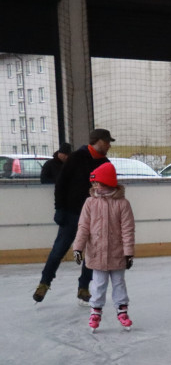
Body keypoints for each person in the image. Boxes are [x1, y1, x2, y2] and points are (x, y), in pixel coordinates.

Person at [33, 129, 114, 304]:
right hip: (71, 214)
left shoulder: (105, 163)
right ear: (98, 141)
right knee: (58, 250)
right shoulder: (76, 158)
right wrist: (59, 209)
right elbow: (61, 184)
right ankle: (44, 283)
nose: (109, 145)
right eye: (107, 142)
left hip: (95, 217)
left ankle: (83, 287)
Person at [71, 162, 135, 332]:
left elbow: (128, 230)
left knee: (119, 283)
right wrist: (78, 248)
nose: (95, 185)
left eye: (98, 182)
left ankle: (122, 311)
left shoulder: (122, 204)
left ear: (107, 182)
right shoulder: (90, 203)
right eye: (94, 183)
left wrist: (128, 253)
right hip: (97, 253)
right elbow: (83, 227)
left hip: (117, 253)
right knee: (98, 284)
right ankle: (95, 311)